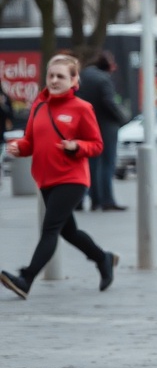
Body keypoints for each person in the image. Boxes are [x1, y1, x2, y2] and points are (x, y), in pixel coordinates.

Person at [1, 55, 119, 300]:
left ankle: (26, 279)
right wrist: (18, 147)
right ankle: (103, 258)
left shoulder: (82, 108)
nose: (54, 80)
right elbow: (30, 142)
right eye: (51, 76)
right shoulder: (39, 106)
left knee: (50, 229)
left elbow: (96, 145)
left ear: (74, 80)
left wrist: (77, 146)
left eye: (61, 76)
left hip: (72, 178)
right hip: (46, 179)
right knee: (69, 232)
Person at [77, 51, 128, 210]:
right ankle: (106, 200)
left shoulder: (84, 76)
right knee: (107, 163)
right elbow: (109, 103)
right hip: (106, 127)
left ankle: (92, 198)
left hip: (87, 126)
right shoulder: (103, 79)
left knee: (91, 164)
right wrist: (122, 117)